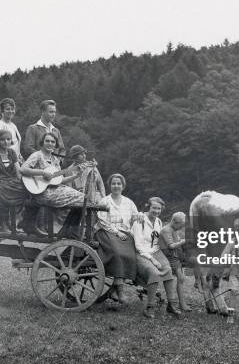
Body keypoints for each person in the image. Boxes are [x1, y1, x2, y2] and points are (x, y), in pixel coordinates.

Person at [19, 133, 83, 236]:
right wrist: (42, 172)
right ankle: (69, 231)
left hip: (53, 190)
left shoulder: (55, 160)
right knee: (82, 200)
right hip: (41, 193)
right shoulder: (37, 155)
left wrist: (76, 175)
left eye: (53, 142)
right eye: (47, 141)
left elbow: (60, 180)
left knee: (82, 199)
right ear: (42, 143)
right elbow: (23, 169)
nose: (50, 144)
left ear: (55, 144)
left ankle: (67, 229)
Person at [131, 197, 182, 318]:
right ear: (148, 207)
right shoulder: (140, 221)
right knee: (154, 272)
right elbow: (138, 245)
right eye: (154, 208)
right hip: (142, 253)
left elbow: (158, 241)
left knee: (168, 271)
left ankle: (172, 305)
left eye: (159, 209)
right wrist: (152, 260)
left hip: (156, 251)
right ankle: (150, 307)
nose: (156, 211)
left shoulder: (158, 221)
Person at [94, 173, 139, 305]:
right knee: (118, 253)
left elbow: (135, 217)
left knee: (131, 255)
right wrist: (117, 232)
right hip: (106, 231)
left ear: (123, 186)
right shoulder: (105, 201)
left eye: (119, 183)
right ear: (110, 185)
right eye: (113, 183)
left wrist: (140, 216)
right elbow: (102, 221)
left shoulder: (129, 202)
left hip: (124, 233)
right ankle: (120, 291)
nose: (116, 186)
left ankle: (114, 287)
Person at [158, 212, 192, 312]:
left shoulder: (173, 229)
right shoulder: (166, 230)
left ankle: (181, 303)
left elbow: (175, 242)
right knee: (179, 278)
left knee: (181, 279)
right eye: (180, 226)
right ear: (174, 221)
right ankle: (177, 303)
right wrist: (183, 241)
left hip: (175, 257)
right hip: (169, 257)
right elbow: (171, 246)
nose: (180, 228)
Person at [0, 98, 23, 162]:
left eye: (12, 109)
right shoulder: (0, 126)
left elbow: (16, 144)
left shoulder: (13, 125)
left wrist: (19, 156)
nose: (10, 111)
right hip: (6, 161)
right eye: (7, 109)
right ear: (2, 111)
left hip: (15, 160)